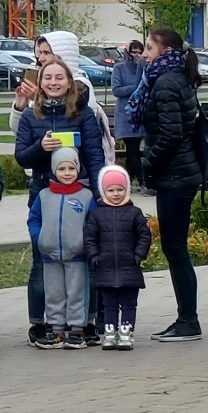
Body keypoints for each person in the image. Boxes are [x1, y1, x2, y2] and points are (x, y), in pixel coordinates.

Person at [16, 56, 107, 347]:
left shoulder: (83, 114)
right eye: (48, 78)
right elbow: (21, 157)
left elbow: (95, 156)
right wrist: (40, 147)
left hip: (79, 196)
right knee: (42, 263)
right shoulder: (32, 116)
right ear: (40, 83)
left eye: (59, 78)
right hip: (44, 194)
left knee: (85, 262)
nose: (53, 83)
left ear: (69, 82)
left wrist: (99, 194)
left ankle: (87, 322)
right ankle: (40, 323)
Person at [127, 28, 205, 342]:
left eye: (149, 47)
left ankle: (188, 320)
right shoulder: (174, 78)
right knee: (176, 250)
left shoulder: (165, 83)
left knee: (175, 250)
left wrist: (147, 163)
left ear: (166, 50)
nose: (144, 54)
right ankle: (187, 318)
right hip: (179, 174)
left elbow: (172, 135)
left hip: (175, 177)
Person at [28, 147, 97, 348]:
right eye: (62, 169)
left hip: (77, 255)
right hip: (49, 254)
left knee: (77, 291)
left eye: (71, 168)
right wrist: (39, 237)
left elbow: (92, 223)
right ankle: (56, 330)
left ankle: (76, 330)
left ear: (78, 169)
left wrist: (84, 242)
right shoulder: (44, 196)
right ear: (53, 170)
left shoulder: (86, 196)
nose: (67, 173)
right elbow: (34, 219)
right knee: (54, 292)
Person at [83, 164, 152, 350]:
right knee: (109, 304)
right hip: (105, 268)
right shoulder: (97, 214)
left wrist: (138, 256)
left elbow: (145, 236)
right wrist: (94, 256)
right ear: (103, 191)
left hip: (129, 267)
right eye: (111, 190)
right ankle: (110, 333)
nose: (116, 194)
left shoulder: (134, 213)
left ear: (126, 189)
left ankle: (126, 332)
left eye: (120, 189)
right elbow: (90, 238)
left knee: (129, 303)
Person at [111, 40, 148, 188]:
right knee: (132, 149)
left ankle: (127, 180)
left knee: (133, 151)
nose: (137, 55)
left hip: (139, 114)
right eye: (134, 52)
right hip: (125, 115)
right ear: (128, 52)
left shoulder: (144, 67)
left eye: (140, 52)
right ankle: (142, 181)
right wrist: (137, 87)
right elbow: (116, 90)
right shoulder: (119, 68)